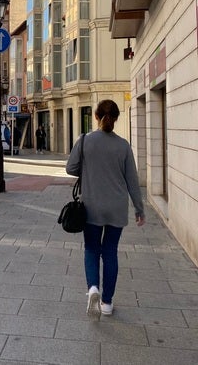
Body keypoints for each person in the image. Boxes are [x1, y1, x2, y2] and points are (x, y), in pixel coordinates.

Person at [65, 99, 145, 320]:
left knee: (91, 249)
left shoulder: (85, 141)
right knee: (110, 252)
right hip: (117, 208)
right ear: (116, 119)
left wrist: (89, 167)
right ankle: (107, 303)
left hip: (92, 206)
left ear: (96, 117)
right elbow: (132, 180)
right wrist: (139, 208)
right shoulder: (123, 145)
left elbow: (70, 168)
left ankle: (92, 288)